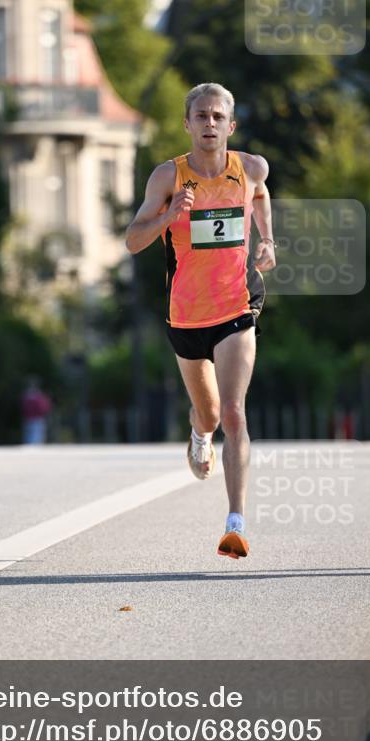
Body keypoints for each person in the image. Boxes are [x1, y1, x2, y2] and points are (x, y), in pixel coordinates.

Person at [125, 83, 277, 560]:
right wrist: (169, 214)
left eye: (218, 117)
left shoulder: (250, 168)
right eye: (201, 116)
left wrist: (267, 240)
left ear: (231, 125)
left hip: (236, 305)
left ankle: (235, 522)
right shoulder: (168, 176)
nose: (209, 124)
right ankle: (198, 432)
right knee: (209, 415)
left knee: (233, 412)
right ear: (187, 124)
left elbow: (261, 195)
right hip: (187, 313)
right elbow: (132, 240)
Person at [21, 377, 52, 444]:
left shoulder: (29, 396)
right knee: (34, 437)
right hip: (34, 419)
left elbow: (44, 407)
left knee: (34, 437)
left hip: (35, 419)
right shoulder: (37, 396)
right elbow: (44, 408)